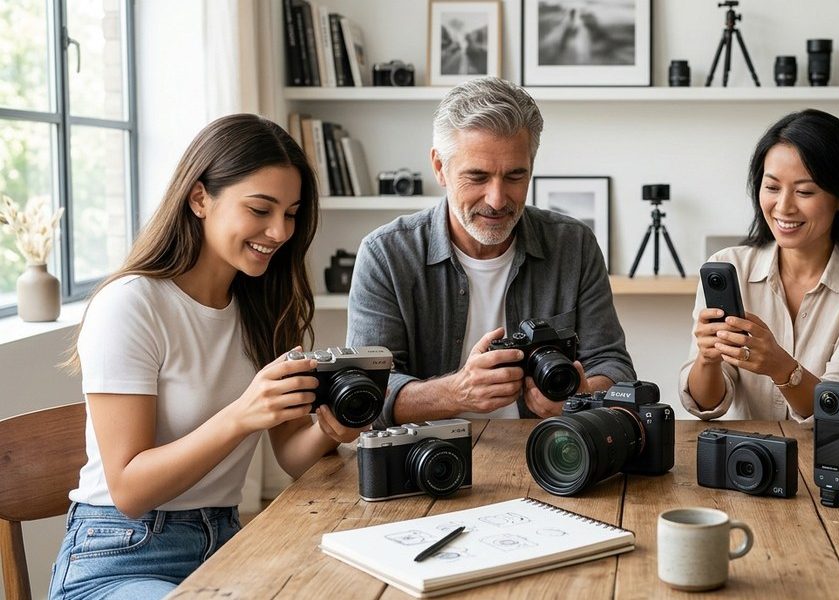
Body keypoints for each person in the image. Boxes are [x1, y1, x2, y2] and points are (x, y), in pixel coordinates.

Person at [48, 114, 363, 600]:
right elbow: (129, 490)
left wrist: (330, 429)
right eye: (260, 209)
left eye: (291, 213)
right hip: (119, 555)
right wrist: (241, 416)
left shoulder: (262, 308)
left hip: (226, 544)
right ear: (200, 198)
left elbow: (290, 456)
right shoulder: (131, 305)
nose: (279, 231)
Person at [347, 76, 635, 425]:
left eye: (514, 176)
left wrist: (581, 396)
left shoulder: (573, 245)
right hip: (423, 451)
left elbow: (613, 365)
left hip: (546, 447)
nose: (497, 200)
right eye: (478, 177)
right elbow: (364, 394)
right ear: (439, 168)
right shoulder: (386, 255)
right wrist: (456, 392)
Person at [679, 109, 839, 422]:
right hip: (744, 451)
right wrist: (707, 359)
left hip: (830, 452)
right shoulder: (728, 266)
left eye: (804, 191)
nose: (784, 207)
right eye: (772, 188)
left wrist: (780, 367)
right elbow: (705, 405)